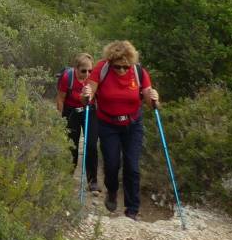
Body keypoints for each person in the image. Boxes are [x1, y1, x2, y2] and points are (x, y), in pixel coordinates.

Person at [80, 40, 159, 220]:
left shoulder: (138, 72)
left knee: (132, 165)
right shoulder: (102, 69)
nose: (122, 70)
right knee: (112, 164)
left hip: (133, 124)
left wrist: (154, 98)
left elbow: (148, 95)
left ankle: (132, 209)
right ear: (110, 62)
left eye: (125, 66)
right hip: (108, 124)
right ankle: (112, 191)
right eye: (118, 67)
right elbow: (89, 92)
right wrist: (86, 95)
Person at [56, 52, 99, 193]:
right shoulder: (67, 78)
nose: (87, 74)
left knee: (92, 145)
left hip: (89, 110)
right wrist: (61, 119)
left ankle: (93, 181)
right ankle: (68, 176)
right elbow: (60, 99)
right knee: (72, 145)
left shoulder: (92, 79)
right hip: (71, 111)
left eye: (90, 71)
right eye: (83, 71)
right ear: (76, 68)